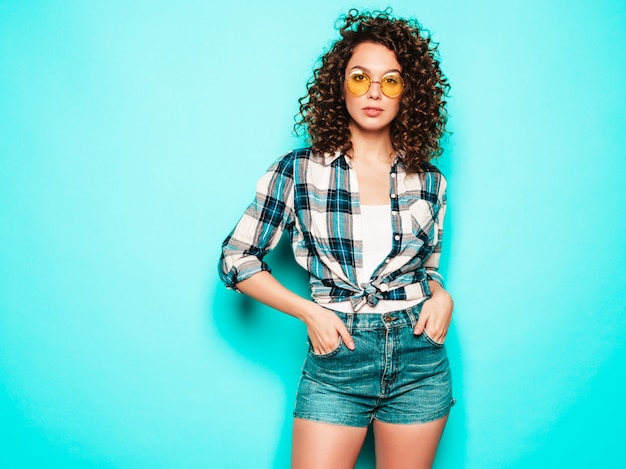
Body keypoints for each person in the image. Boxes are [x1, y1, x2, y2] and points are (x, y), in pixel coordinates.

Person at [219, 8, 454, 468]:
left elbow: (425, 270)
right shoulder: (298, 170)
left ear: (408, 93)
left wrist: (442, 295)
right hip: (337, 355)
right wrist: (309, 312)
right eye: (360, 77)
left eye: (390, 81)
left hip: (421, 356)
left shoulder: (431, 181)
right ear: (338, 84)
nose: (373, 92)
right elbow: (237, 258)